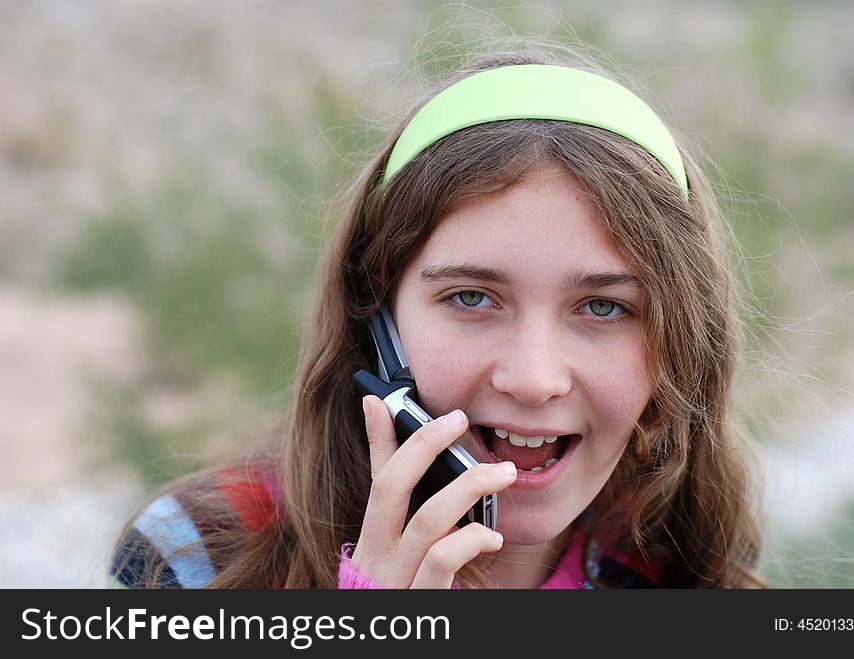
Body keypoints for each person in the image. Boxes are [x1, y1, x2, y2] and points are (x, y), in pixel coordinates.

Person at [109, 38, 765, 589]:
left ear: (677, 345)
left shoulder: (675, 566)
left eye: (602, 306)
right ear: (378, 320)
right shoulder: (197, 550)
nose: (534, 379)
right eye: (472, 298)